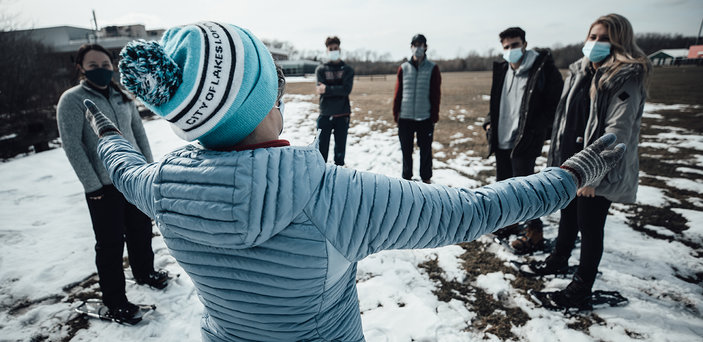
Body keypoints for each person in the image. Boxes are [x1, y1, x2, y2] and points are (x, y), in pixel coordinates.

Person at [85, 22, 623, 340]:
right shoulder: (333, 196)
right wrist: (574, 171)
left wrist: (105, 128)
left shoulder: (163, 189)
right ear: (264, 99)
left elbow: (123, 166)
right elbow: (473, 209)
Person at [523, 13, 650, 309]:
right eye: (592, 37)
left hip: (596, 169)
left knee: (590, 226)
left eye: (603, 38)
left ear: (618, 41)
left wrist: (594, 177)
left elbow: (618, 132)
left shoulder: (624, 77)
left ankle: (581, 289)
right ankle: (558, 260)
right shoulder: (579, 71)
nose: (594, 43)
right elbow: (565, 119)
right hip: (570, 161)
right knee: (568, 214)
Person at [56, 44, 168, 323]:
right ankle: (115, 301)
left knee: (141, 230)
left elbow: (138, 135)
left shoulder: (123, 96)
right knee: (110, 243)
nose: (101, 70)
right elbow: (73, 146)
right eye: (93, 65)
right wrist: (92, 186)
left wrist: (148, 170)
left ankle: (145, 272)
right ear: (80, 68)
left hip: (133, 178)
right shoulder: (72, 100)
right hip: (103, 187)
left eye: (105, 64)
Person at [483, 27, 564, 254]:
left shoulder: (541, 68)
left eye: (515, 45)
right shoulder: (502, 69)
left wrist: (536, 130)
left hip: (524, 141)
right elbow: (497, 102)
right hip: (501, 138)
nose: (511, 50)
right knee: (504, 186)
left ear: (525, 44)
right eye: (506, 47)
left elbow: (555, 104)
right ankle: (509, 223)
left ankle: (535, 233)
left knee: (526, 189)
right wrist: (490, 122)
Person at [392, 34, 441, 184]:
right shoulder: (403, 68)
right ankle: (406, 181)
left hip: (424, 117)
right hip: (405, 117)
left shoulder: (433, 68)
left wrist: (434, 116)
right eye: (415, 45)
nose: (417, 48)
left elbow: (436, 94)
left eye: (420, 45)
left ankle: (426, 180)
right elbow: (398, 92)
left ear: (425, 47)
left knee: (425, 151)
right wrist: (396, 113)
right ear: (411, 47)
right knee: (406, 151)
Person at [315, 36, 354, 166]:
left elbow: (346, 90)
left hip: (342, 115)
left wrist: (328, 89)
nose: (333, 50)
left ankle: (339, 180)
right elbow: (321, 89)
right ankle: (321, 179)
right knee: (321, 152)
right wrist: (336, 89)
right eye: (330, 49)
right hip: (325, 115)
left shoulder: (347, 69)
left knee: (339, 153)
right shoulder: (321, 69)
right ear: (327, 51)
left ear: (339, 49)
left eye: (335, 48)